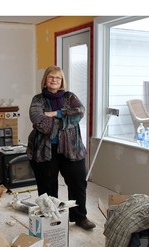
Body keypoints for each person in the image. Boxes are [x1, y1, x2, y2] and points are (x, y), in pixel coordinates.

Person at [26, 65, 96, 230]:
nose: (54, 80)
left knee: (78, 183)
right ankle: (51, 219)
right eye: (51, 77)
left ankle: (80, 217)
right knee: (47, 186)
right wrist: (65, 118)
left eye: (58, 78)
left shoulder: (70, 96)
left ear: (62, 80)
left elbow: (79, 112)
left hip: (72, 148)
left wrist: (55, 114)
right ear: (46, 79)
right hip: (44, 150)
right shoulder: (38, 99)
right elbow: (39, 122)